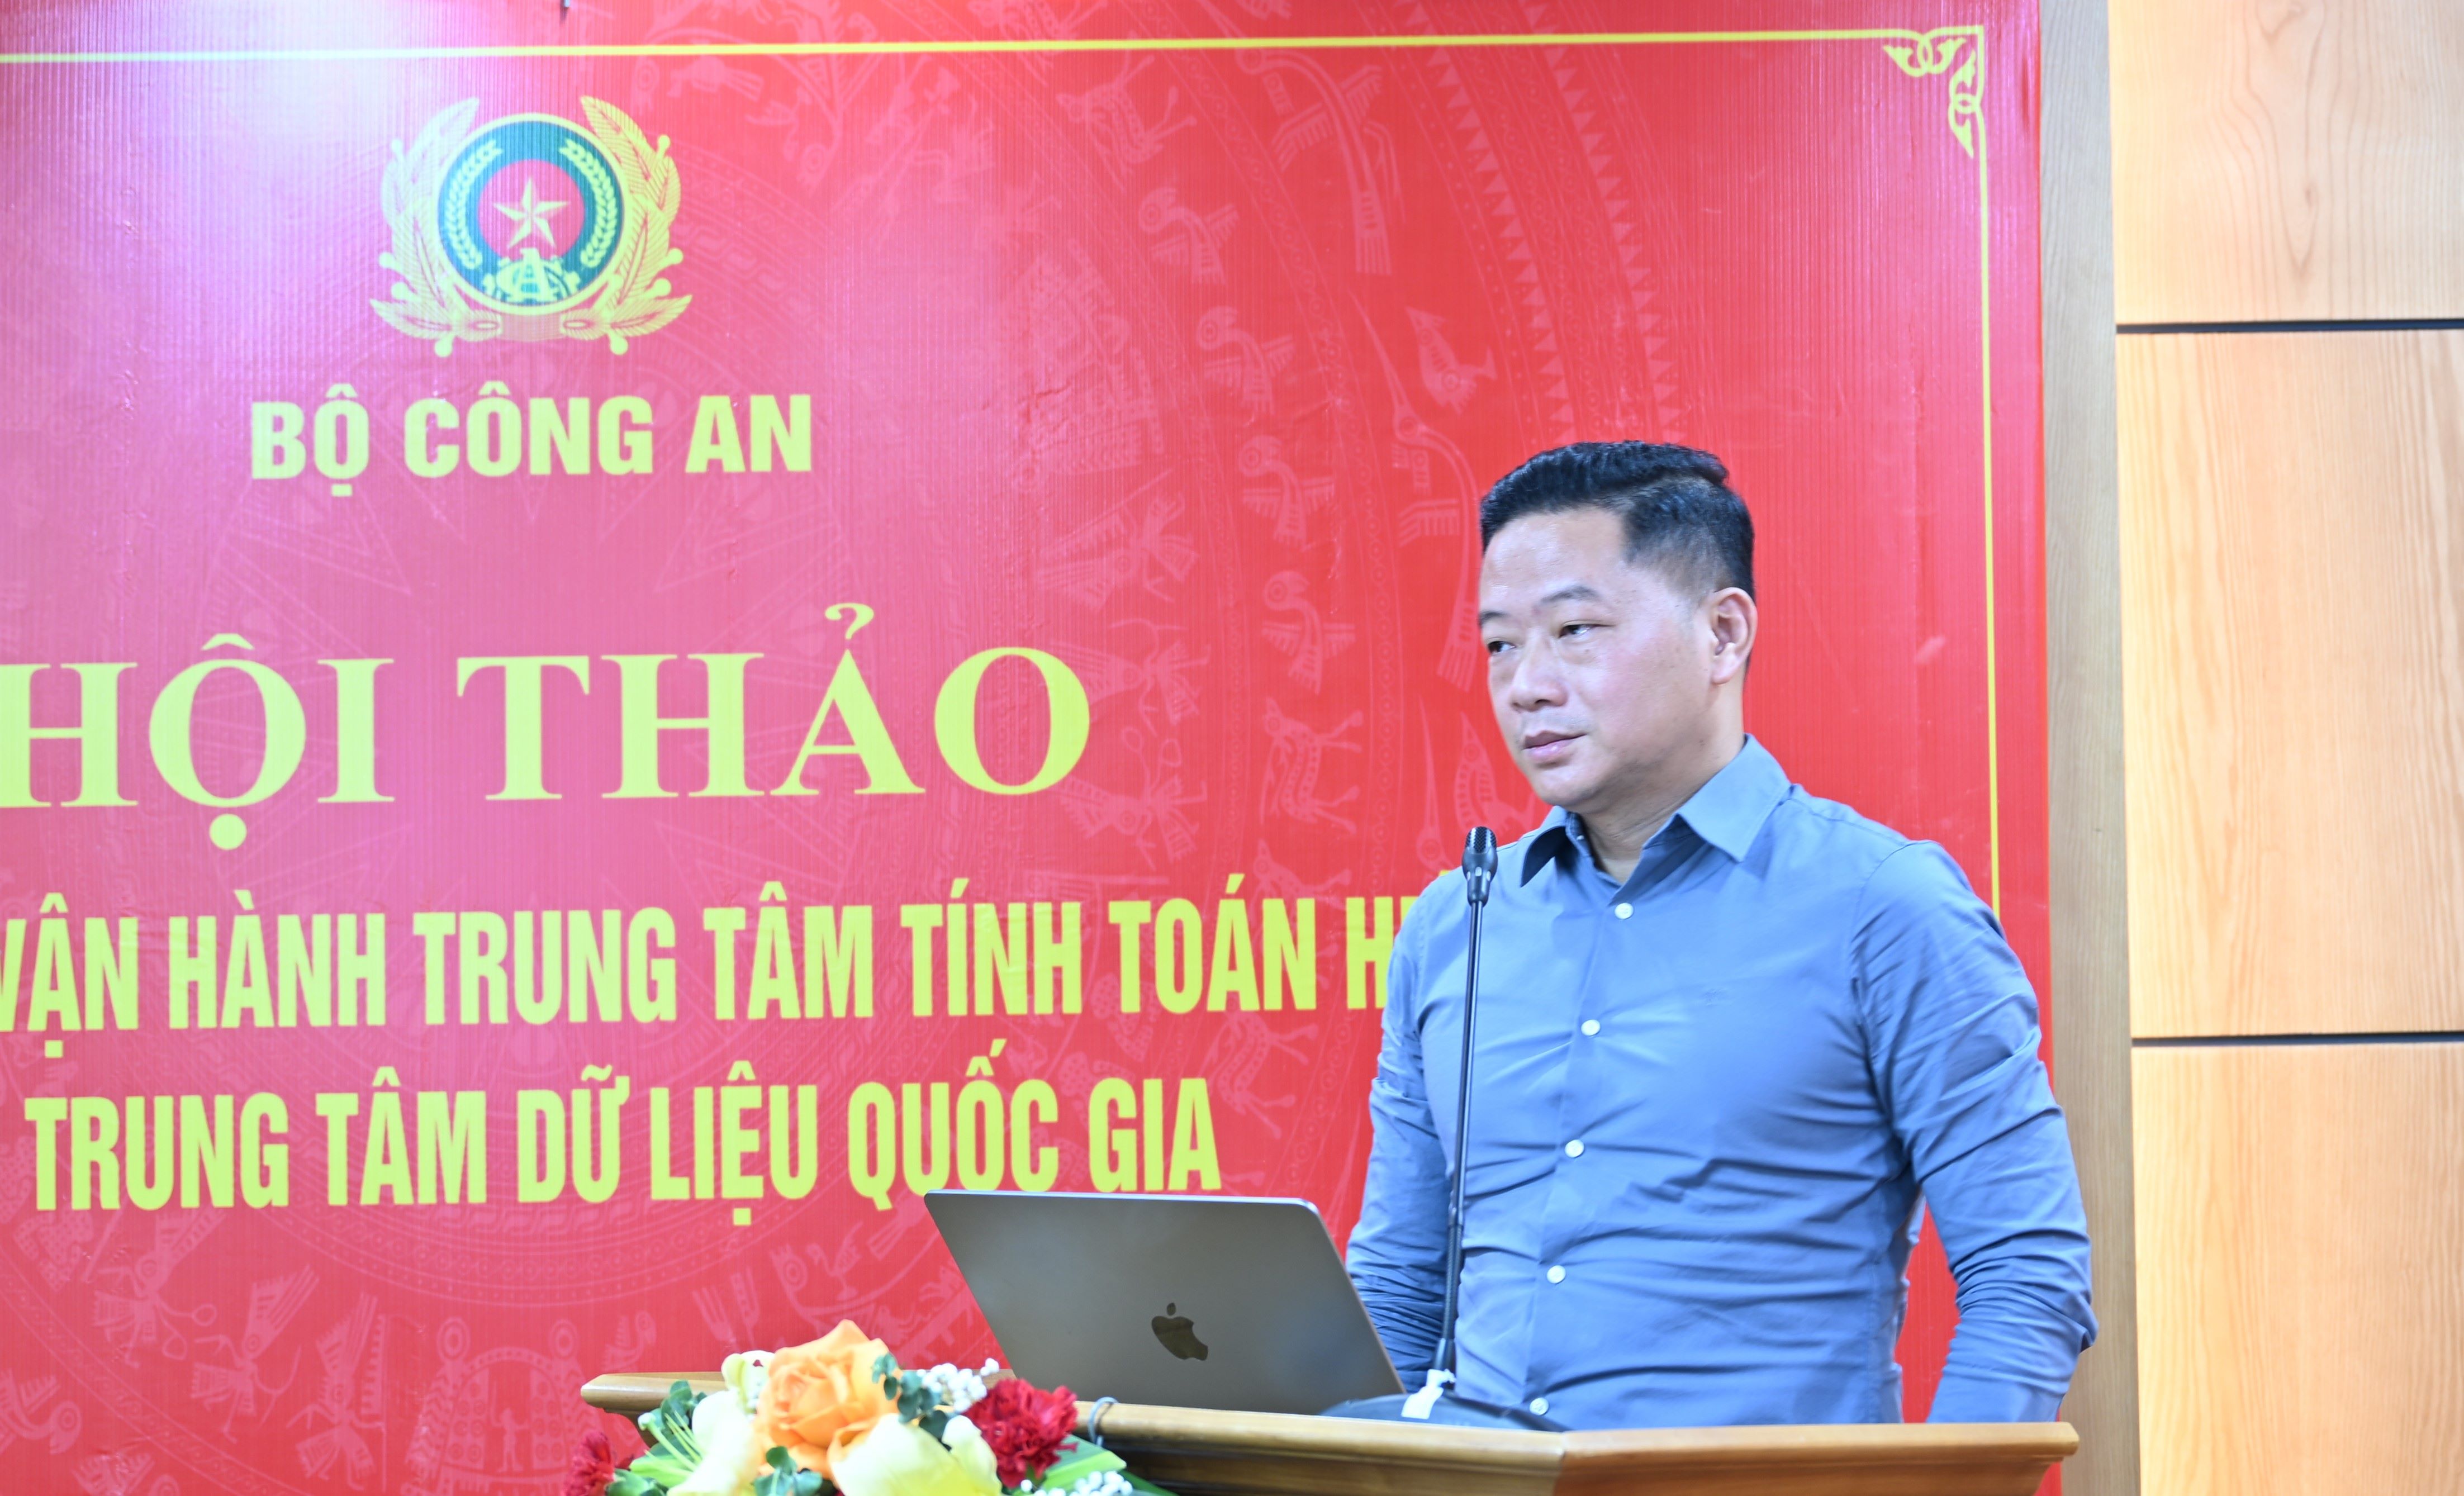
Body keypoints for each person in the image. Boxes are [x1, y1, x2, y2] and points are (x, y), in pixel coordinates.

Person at [1345, 441, 2095, 1429]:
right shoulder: (1457, 924)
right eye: (1498, 645)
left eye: (1574, 630)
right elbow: (1398, 1288)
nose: (1525, 685)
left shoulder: (1882, 906)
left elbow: (2026, 1271)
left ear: (1722, 633)